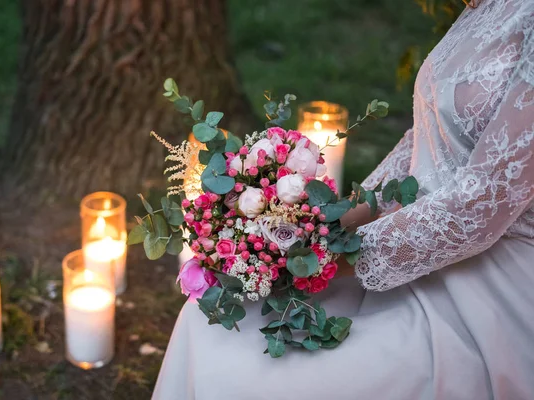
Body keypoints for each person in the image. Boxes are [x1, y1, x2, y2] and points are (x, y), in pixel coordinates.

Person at [153, 1, 534, 398]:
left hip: (490, 293)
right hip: (415, 242)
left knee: (259, 377)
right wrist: (324, 224)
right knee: (208, 326)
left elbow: (481, 205)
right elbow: (423, 143)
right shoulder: (483, 5)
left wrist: (331, 255)